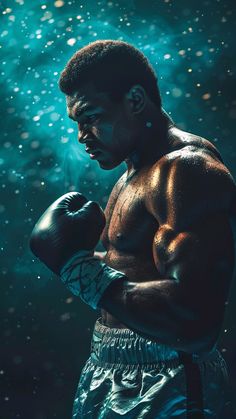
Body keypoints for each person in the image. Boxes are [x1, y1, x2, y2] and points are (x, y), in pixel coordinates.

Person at [30, 40, 236, 418]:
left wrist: (76, 267)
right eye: (77, 122)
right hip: (108, 370)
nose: (82, 135)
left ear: (136, 99)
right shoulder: (134, 170)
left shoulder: (185, 170)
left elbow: (196, 320)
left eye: (91, 116)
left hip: (169, 380)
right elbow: (132, 272)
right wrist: (75, 258)